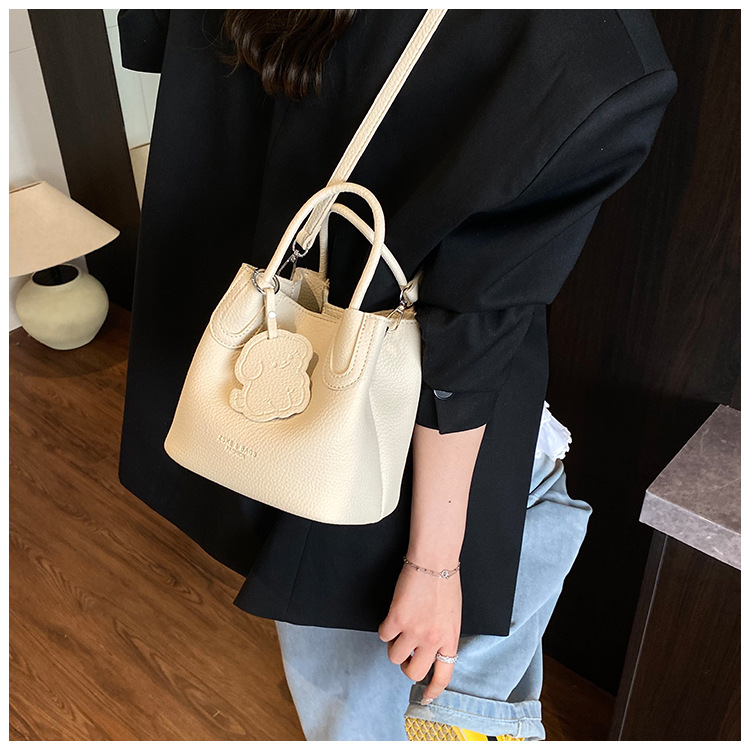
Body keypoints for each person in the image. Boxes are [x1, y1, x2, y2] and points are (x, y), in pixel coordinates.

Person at [117, 9, 677, 741]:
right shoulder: (590, 44)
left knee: (344, 675)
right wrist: (436, 565)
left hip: (250, 347)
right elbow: (472, 328)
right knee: (399, 694)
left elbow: (168, 53)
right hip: (397, 437)